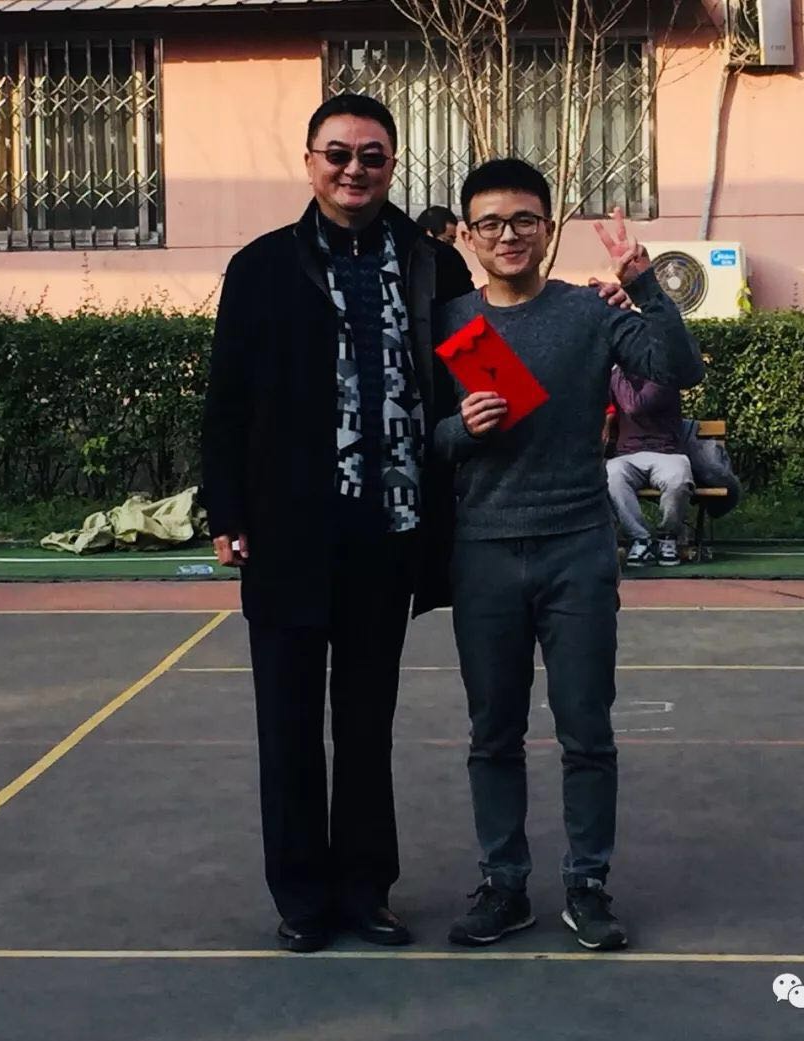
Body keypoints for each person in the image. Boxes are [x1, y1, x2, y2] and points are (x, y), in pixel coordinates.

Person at [200, 93, 475, 954]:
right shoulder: (260, 267)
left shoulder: (435, 266)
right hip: (287, 535)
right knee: (286, 728)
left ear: (393, 165)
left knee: (365, 727)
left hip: (387, 537)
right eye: (339, 154)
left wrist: (584, 312)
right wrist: (227, 509)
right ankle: (301, 898)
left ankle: (365, 890)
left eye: (373, 155)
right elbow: (226, 401)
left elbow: (485, 367)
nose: (355, 169)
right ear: (310, 162)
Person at [434, 159, 704, 951]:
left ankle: (587, 884)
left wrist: (644, 283)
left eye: (524, 219)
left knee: (586, 730)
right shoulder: (449, 319)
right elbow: (420, 438)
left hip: (577, 549)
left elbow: (679, 369)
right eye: (491, 223)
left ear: (547, 229)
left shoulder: (590, 310)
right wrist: (458, 429)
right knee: (493, 732)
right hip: (483, 551)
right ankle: (505, 883)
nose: (508, 235)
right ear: (468, 235)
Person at [604, 368, 695, 566]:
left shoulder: (663, 375)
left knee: (678, 478)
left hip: (667, 452)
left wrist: (615, 372)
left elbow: (634, 406)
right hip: (627, 455)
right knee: (612, 475)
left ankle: (668, 537)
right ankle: (640, 539)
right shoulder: (617, 379)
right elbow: (602, 406)